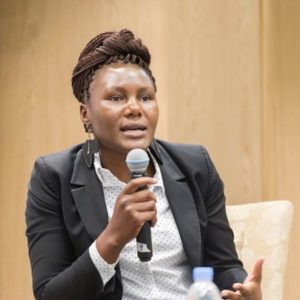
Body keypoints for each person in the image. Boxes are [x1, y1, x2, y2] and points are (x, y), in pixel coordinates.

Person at [25, 29, 264, 300]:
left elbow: (223, 265)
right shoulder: (53, 177)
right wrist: (113, 238)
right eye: (116, 98)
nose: (135, 108)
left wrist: (241, 288)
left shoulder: (196, 165)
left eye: (145, 97)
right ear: (85, 114)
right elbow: (49, 295)